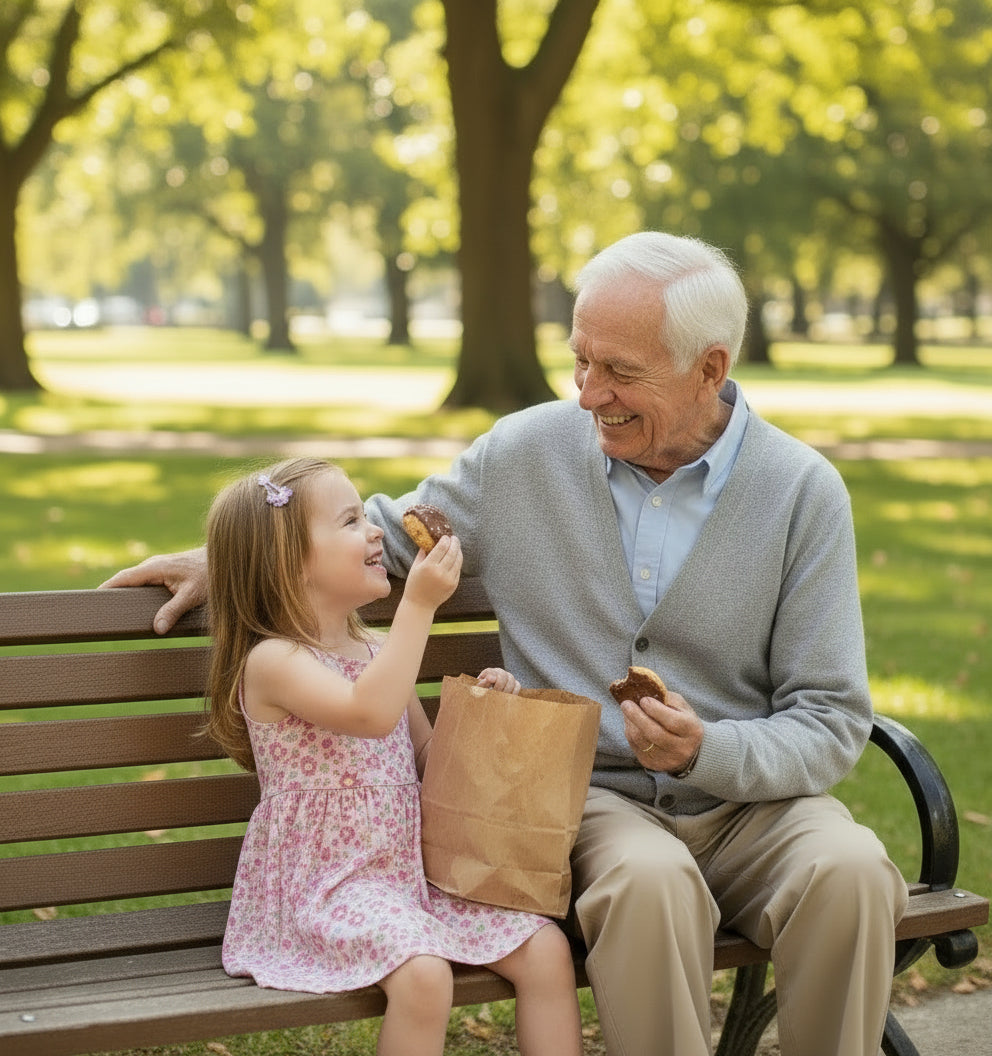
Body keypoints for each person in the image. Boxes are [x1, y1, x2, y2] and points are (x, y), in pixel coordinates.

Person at [103, 232, 908, 1056]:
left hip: (755, 803)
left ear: (710, 369)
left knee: (851, 871)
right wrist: (225, 558)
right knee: (646, 884)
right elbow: (390, 531)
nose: (590, 394)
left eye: (621, 372)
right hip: (589, 799)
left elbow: (830, 719)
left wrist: (710, 748)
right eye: (580, 361)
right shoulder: (524, 453)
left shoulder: (803, 494)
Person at [200, 456, 583, 1056]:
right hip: (328, 889)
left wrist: (482, 711)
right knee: (425, 975)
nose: (377, 528)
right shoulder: (274, 661)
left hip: (409, 877)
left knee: (544, 950)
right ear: (287, 561)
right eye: (351, 520)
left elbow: (424, 754)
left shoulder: (375, 649)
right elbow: (367, 712)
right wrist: (419, 606)